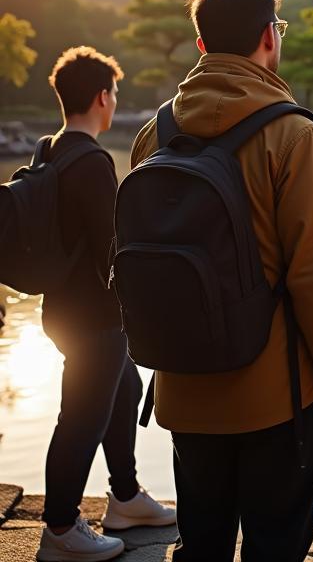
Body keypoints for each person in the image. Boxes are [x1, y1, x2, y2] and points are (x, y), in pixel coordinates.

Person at [129, 0, 313, 562]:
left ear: (201, 48)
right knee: (275, 544)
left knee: (201, 543)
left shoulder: (155, 133)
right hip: (274, 394)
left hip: (183, 384)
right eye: (277, 30)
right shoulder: (292, 134)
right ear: (268, 39)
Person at [37, 47, 174, 562]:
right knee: (82, 418)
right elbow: (109, 249)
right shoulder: (93, 162)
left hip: (62, 310)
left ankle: (125, 497)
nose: (114, 101)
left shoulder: (50, 149)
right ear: (102, 97)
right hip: (94, 316)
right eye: (114, 93)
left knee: (124, 387)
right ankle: (60, 528)